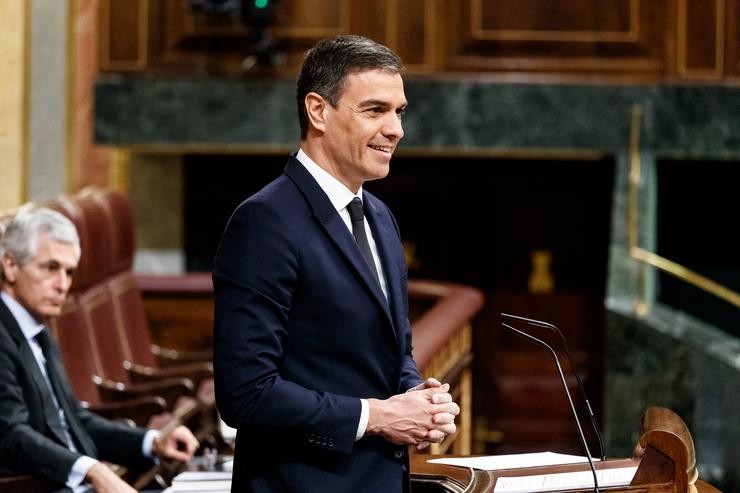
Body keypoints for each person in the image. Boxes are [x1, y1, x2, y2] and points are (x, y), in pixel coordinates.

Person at [213, 35, 460, 492]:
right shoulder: (264, 222)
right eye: (375, 110)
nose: (396, 129)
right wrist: (378, 416)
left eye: (399, 111)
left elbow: (393, 351)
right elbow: (245, 393)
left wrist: (418, 398)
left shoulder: (380, 217)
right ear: (318, 111)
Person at [0, 207, 200, 493]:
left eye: (69, 272)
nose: (63, 285)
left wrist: (152, 441)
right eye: (50, 268)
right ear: (10, 265)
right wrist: (92, 470)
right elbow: (10, 434)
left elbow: (72, 421)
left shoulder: (38, 330)